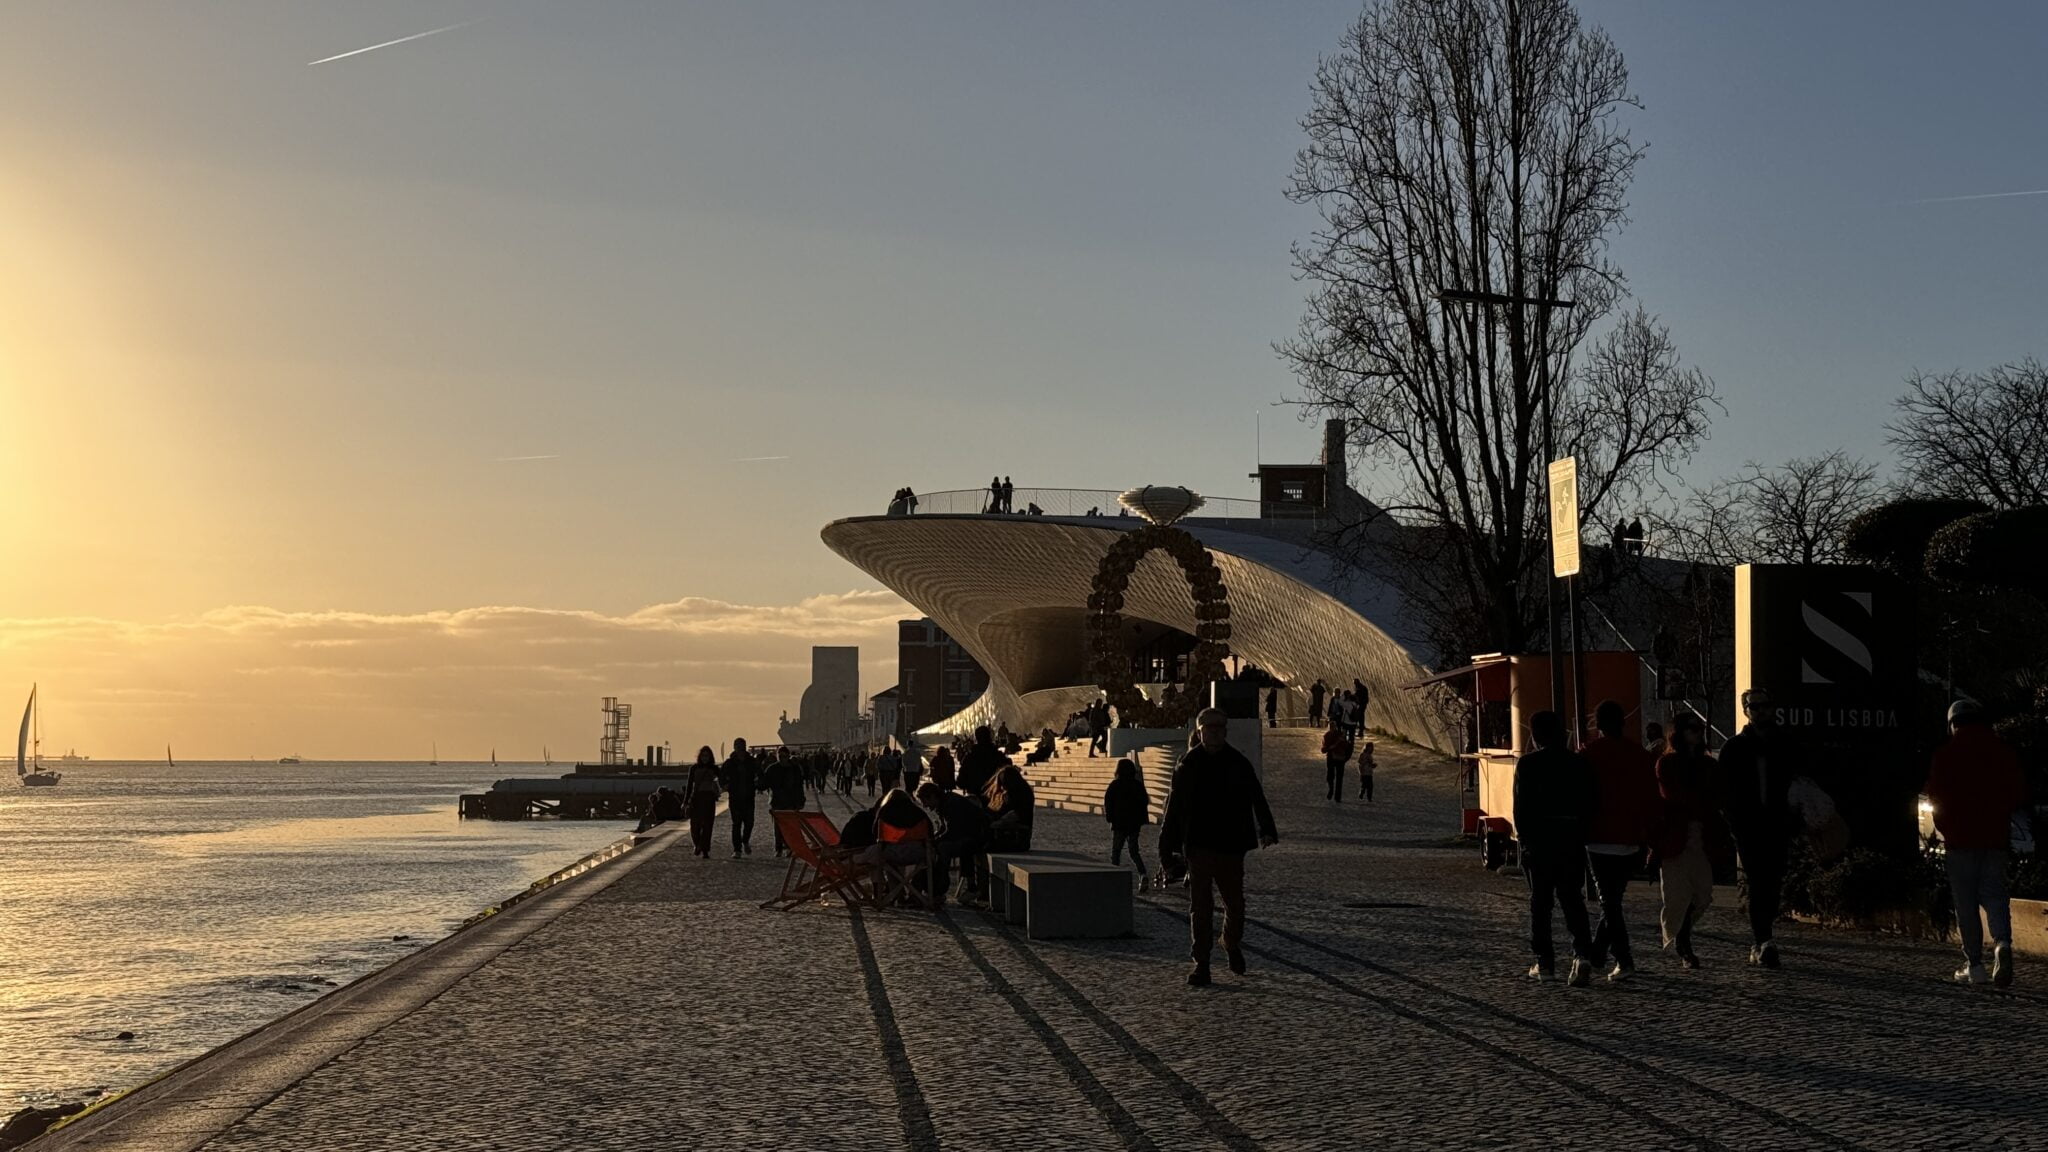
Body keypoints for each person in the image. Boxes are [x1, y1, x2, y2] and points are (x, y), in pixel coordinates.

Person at [1158, 708, 1280, 987]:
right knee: (1200, 907)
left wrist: (1267, 829)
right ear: (1200, 732)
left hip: (1230, 845)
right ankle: (1201, 964)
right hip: (1199, 847)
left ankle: (1230, 941)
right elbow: (1173, 810)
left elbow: (1256, 797)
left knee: (1235, 905)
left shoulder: (1238, 763)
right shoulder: (1187, 764)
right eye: (1208, 728)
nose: (1213, 733)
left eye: (1218, 728)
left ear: (1225, 731)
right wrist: (1167, 851)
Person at [1927, 698, 2026, 987]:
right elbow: (2018, 792)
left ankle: (1975, 965)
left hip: (1960, 840)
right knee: (1995, 895)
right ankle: (2003, 944)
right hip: (1994, 837)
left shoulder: (1946, 754)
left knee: (1966, 904)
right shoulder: (2001, 752)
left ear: (1952, 724)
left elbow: (1935, 797)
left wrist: (1946, 829)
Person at [1512, 711, 1598, 986]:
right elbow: (1588, 803)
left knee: (1541, 903)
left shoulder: (1528, 764)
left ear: (1536, 736)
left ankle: (1544, 961)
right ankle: (1582, 954)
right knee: (1572, 898)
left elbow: (1521, 809)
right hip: (1570, 837)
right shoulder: (1578, 763)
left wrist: (1524, 841)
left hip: (1540, 839)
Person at [1581, 700, 1660, 981]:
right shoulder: (1639, 755)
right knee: (1613, 899)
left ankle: (1623, 959)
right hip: (1631, 837)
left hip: (1598, 837)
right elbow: (1651, 798)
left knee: (1609, 903)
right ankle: (1598, 954)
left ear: (1598, 724)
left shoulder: (1588, 754)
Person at [1719, 687, 1795, 969]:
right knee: (1758, 882)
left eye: (1765, 705)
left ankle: (1763, 938)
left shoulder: (1784, 744)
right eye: (1755, 707)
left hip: (1777, 825)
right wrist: (1734, 823)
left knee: (1772, 883)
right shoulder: (1735, 748)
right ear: (1746, 711)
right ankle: (1763, 940)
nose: (1761, 710)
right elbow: (1723, 791)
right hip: (1749, 828)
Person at [1654, 713, 1720, 969]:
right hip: (1676, 837)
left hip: (1701, 836)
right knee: (1676, 896)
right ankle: (1683, 942)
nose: (1698, 733)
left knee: (1703, 894)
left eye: (1700, 728)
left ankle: (1681, 935)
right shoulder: (1667, 763)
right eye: (1692, 729)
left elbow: (1715, 797)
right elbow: (1673, 798)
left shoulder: (1708, 765)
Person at [1104, 758, 1151, 877]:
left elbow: (1108, 803)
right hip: (1134, 824)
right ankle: (1142, 873)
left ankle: (1114, 875)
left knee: (1116, 851)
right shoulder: (1137, 785)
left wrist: (1110, 818)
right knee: (1134, 851)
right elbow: (1144, 801)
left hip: (1119, 823)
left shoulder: (1115, 785)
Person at [720, 739, 761, 857]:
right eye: (737, 746)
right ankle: (737, 849)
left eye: (741, 746)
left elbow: (760, 774)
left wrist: (759, 783)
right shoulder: (729, 763)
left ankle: (745, 840)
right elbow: (721, 776)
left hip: (748, 796)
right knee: (736, 823)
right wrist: (724, 785)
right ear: (734, 747)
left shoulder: (752, 762)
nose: (740, 748)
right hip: (735, 797)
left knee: (749, 823)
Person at [765, 750, 809, 857]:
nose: (782, 758)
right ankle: (778, 848)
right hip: (777, 801)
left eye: (784, 756)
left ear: (788, 756)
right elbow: (765, 782)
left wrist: (801, 800)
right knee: (778, 826)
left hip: (791, 800)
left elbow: (799, 786)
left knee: (791, 826)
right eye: (780, 756)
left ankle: (789, 847)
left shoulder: (794, 769)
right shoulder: (772, 768)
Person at [984, 762, 1036, 851]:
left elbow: (1012, 816)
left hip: (1014, 837)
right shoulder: (1021, 791)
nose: (1002, 788)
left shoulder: (1017, 795)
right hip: (1019, 837)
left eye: (1003, 784)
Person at [682, 746, 722, 858]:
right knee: (694, 825)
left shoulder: (714, 769)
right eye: (703, 755)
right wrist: (685, 801)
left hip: (709, 799)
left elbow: (722, 781)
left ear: (710, 757)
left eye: (707, 756)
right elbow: (689, 785)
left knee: (708, 826)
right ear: (700, 756)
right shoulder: (694, 768)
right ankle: (697, 844)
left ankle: (705, 850)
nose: (705, 758)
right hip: (696, 798)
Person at [958, 725, 1007, 798]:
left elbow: (961, 782)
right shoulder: (998, 756)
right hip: (994, 798)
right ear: (990, 737)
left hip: (976, 799)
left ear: (976, 739)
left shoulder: (970, 758)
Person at [1321, 717, 1352, 802]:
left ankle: (1335, 793)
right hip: (1337, 758)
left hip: (1335, 758)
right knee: (1336, 777)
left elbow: (1324, 749)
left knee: (1334, 776)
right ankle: (1335, 795)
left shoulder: (1328, 736)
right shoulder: (1334, 735)